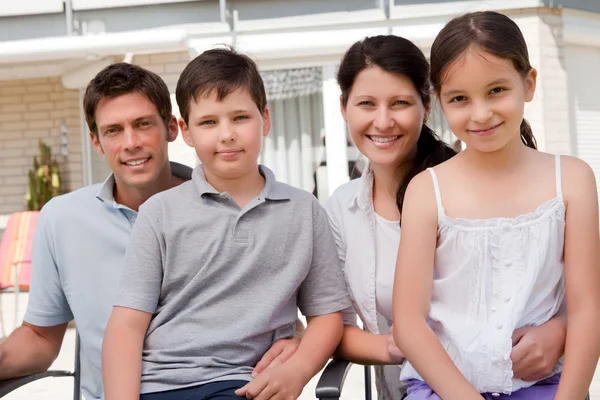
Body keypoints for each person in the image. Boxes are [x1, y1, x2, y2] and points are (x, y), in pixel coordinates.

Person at [0, 62, 299, 400]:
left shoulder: (241, 206)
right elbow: (40, 338)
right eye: (113, 130)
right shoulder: (62, 219)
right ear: (96, 141)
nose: (131, 143)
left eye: (143, 124)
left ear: (172, 128)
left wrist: (299, 340)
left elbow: (284, 308)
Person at [325, 35, 569, 399]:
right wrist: (396, 347)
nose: (383, 121)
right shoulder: (342, 208)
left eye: (400, 103)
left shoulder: (464, 187)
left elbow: (550, 282)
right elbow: (330, 324)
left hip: (522, 381)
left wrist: (560, 329)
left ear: (427, 105)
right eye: (366, 104)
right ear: (344, 108)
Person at [101, 47, 351, 400]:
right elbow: (126, 326)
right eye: (208, 122)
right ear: (186, 131)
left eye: (240, 118)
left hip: (247, 384)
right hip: (163, 385)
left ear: (265, 118)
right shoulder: (159, 212)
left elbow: (327, 316)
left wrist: (298, 370)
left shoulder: (304, 211)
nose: (227, 134)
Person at [393, 11, 600, 400]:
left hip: (546, 387)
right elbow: (408, 323)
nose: (481, 113)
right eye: (459, 98)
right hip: (445, 389)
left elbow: (588, 308)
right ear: (440, 102)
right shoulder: (426, 190)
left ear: (529, 83)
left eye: (496, 91)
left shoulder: (572, 179)